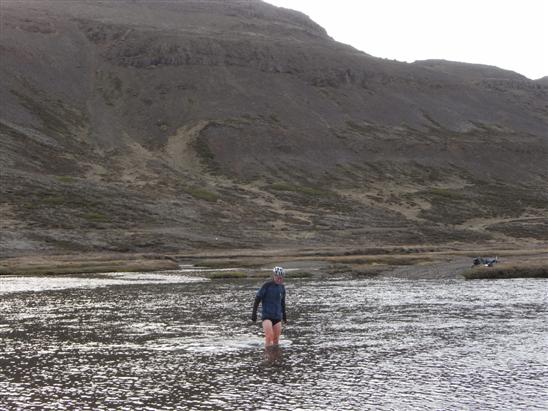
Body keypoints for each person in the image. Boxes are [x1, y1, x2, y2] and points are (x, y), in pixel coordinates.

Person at [251, 266, 287, 347]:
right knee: (269, 337)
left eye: (281, 278)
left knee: (276, 340)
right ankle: (267, 358)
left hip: (277, 316)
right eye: (278, 278)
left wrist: (284, 315)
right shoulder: (266, 286)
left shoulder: (282, 288)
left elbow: (282, 302)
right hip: (267, 316)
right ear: (274, 276)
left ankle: (275, 358)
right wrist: (254, 314)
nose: (279, 280)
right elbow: (257, 299)